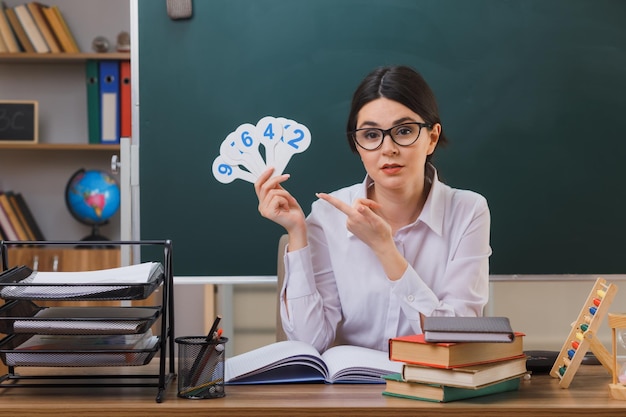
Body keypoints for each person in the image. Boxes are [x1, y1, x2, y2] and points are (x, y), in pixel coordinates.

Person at [255, 65, 491, 353]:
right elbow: (309, 343)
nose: (387, 148)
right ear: (357, 144)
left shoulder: (468, 211)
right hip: (349, 393)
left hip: (431, 389)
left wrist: (385, 250)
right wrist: (297, 232)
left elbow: (456, 337)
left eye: (404, 131)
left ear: (431, 138)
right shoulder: (328, 217)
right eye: (370, 135)